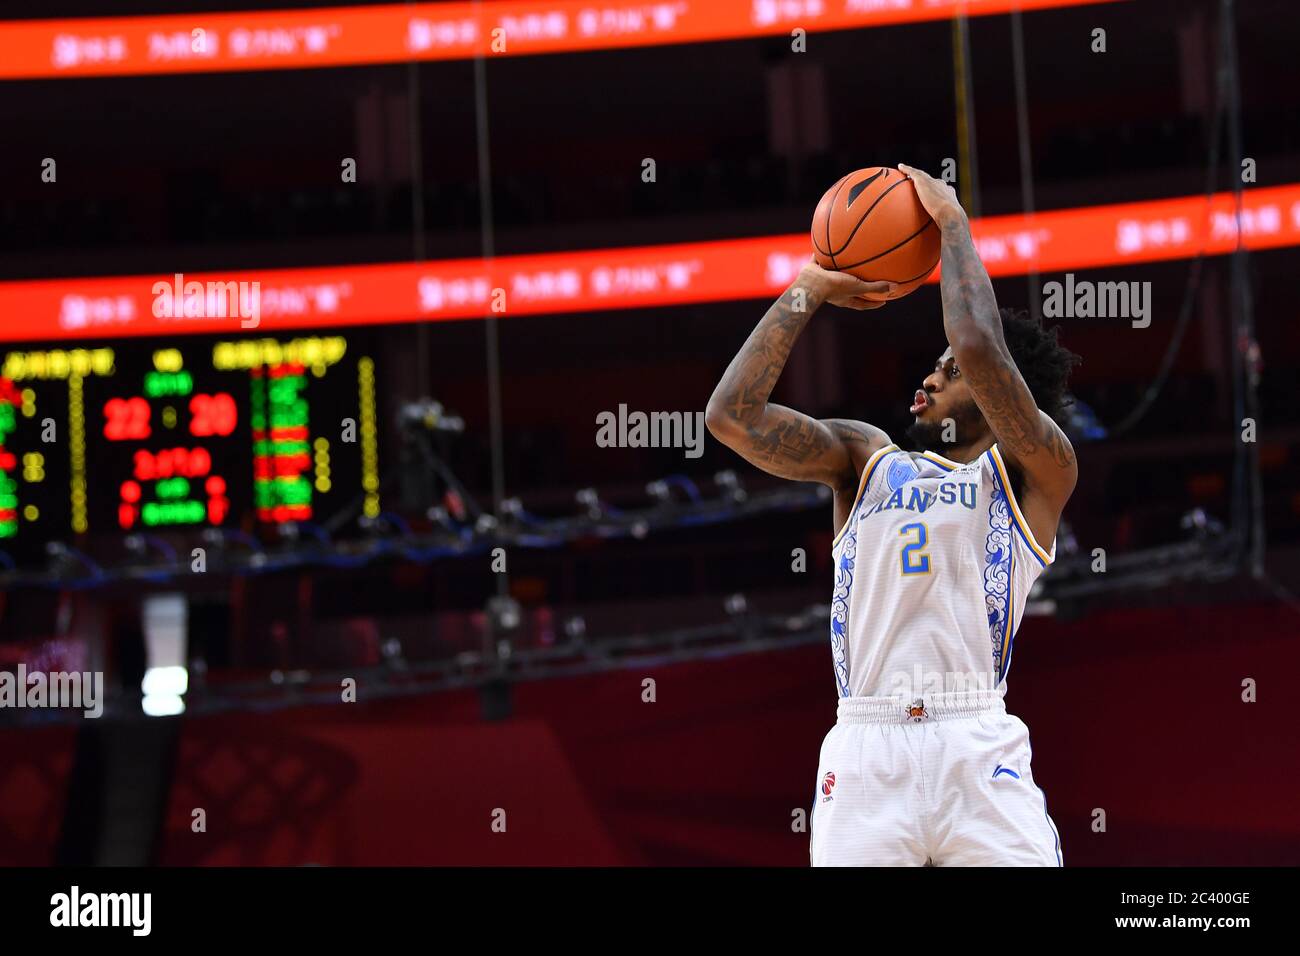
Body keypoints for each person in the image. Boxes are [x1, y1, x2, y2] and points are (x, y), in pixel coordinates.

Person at [705, 164, 1080, 866]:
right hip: (867, 747)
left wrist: (953, 224)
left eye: (950, 372)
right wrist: (809, 287)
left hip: (976, 746)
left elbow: (977, 346)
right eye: (934, 367)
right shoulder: (865, 459)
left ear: (1006, 393)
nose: (931, 375)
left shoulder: (1036, 468)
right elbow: (730, 416)